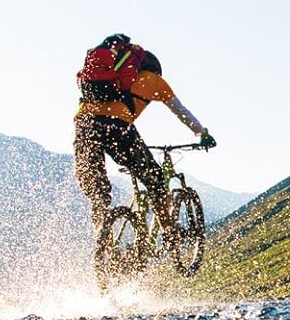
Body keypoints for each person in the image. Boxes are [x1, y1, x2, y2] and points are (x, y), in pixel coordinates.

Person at [74, 34, 216, 234]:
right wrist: (202, 133)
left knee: (96, 187)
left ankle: (103, 236)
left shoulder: (109, 77)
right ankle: (170, 231)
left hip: (84, 124)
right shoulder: (154, 81)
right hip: (117, 126)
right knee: (155, 178)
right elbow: (182, 112)